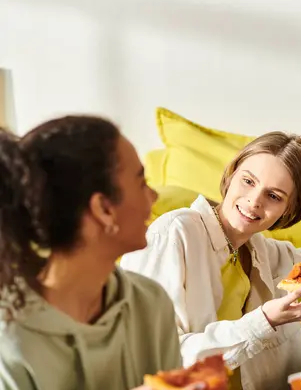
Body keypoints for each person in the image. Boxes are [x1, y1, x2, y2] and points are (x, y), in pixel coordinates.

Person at [120, 131, 301, 390]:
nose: (255, 201)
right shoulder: (175, 233)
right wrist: (265, 321)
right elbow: (158, 359)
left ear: (287, 210)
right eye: (248, 181)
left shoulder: (265, 252)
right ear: (232, 172)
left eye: (274, 196)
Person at [0, 116, 184, 389]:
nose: (154, 197)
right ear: (104, 209)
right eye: (141, 182)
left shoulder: (151, 304)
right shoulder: (10, 340)